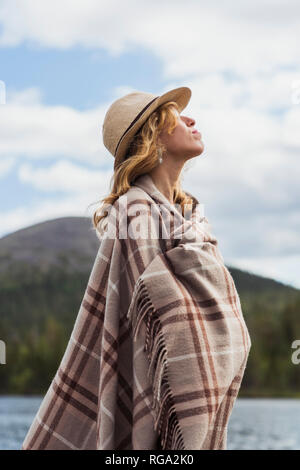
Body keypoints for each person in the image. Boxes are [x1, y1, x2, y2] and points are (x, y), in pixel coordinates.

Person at [21, 86, 251, 450]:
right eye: (176, 117)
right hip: (154, 399)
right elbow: (150, 332)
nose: (192, 119)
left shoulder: (191, 219)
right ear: (153, 136)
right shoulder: (135, 211)